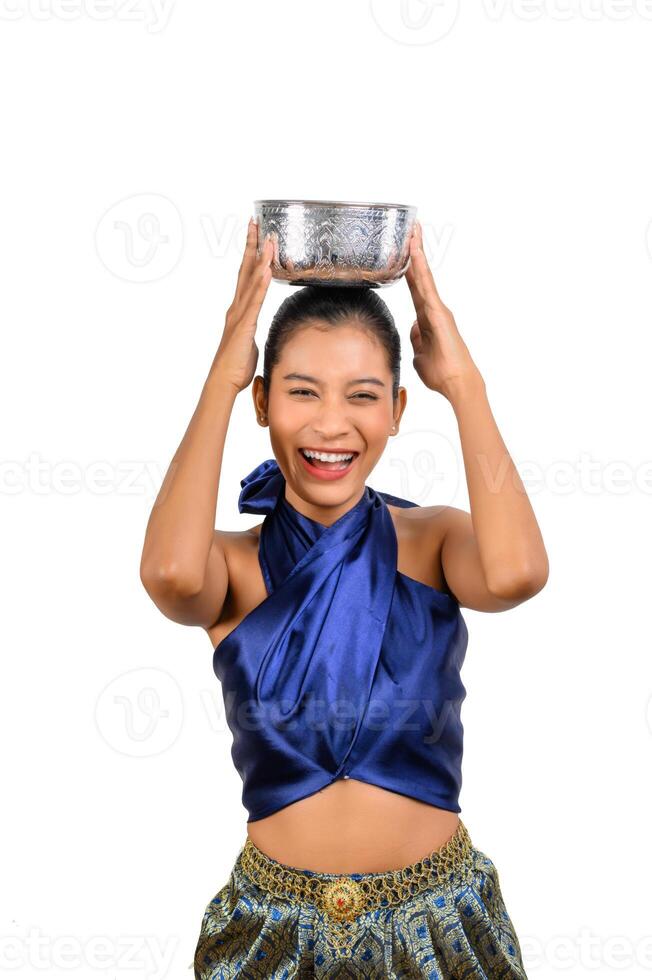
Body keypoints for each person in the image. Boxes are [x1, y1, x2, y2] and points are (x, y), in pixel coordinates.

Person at [140, 217, 548, 977]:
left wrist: (464, 384)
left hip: (441, 926)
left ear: (396, 410)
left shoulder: (432, 541)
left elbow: (518, 573)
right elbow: (168, 575)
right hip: (273, 930)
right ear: (263, 401)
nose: (332, 423)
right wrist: (220, 378)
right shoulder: (232, 566)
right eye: (301, 392)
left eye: (363, 396)